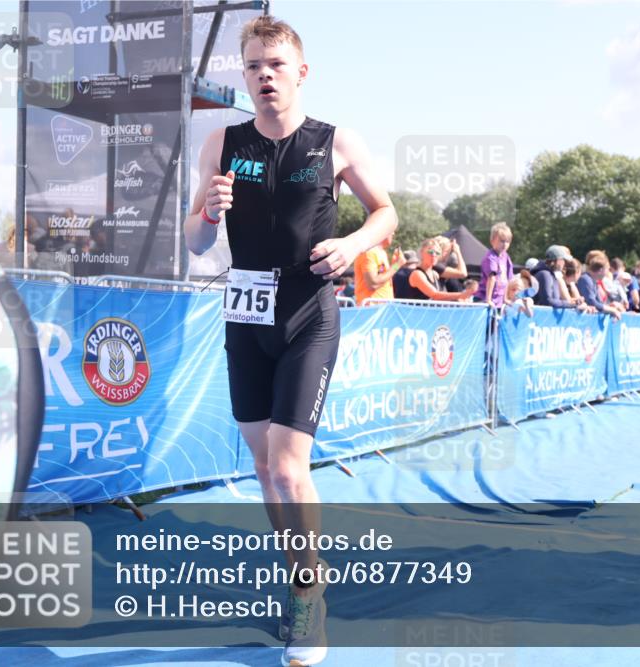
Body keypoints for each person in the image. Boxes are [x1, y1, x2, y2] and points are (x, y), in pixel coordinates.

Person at [183, 16, 397, 666]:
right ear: (243, 75)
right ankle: (298, 565)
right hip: (246, 320)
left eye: (275, 64)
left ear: (300, 72)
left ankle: (309, 596)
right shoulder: (221, 143)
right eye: (253, 66)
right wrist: (207, 212)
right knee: (262, 470)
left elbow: (385, 213)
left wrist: (354, 242)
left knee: (285, 467)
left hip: (309, 316)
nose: (264, 75)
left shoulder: (335, 141)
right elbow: (195, 244)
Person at [405, 238, 477, 301]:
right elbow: (435, 295)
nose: (434, 255)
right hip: (418, 314)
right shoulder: (417, 274)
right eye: (430, 252)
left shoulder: (434, 273)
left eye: (437, 253)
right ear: (422, 252)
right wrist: (461, 295)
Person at [530, 245, 589, 312]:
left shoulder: (551, 274)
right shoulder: (545, 274)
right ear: (557, 260)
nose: (564, 264)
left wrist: (574, 302)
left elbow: (554, 300)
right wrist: (572, 304)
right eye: (563, 260)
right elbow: (548, 301)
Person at [353, 234, 404, 305]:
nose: (393, 234)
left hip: (382, 309)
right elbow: (373, 284)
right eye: (391, 231)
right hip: (371, 309)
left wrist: (394, 265)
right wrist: (396, 266)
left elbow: (381, 277)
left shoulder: (381, 252)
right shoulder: (369, 252)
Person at [474, 222, 514, 309]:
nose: (505, 244)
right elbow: (491, 278)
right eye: (502, 241)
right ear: (492, 241)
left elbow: (507, 279)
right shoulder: (491, 257)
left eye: (507, 241)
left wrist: (505, 298)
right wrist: (488, 299)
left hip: (498, 300)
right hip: (484, 298)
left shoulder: (506, 257)